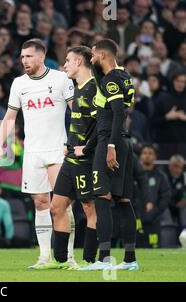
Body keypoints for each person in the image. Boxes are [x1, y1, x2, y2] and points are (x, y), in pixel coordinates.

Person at [0, 38, 75, 269]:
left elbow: (76, 111)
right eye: (22, 57)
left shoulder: (60, 79)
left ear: (41, 56)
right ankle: (45, 257)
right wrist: (0, 144)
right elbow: (10, 117)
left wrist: (77, 142)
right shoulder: (19, 83)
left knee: (62, 205)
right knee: (40, 203)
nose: (24, 60)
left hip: (58, 150)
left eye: (29, 56)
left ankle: (68, 257)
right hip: (33, 152)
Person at [80, 39, 138, 271]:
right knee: (123, 200)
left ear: (103, 55)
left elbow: (117, 114)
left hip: (110, 143)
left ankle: (103, 260)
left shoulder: (110, 79)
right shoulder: (124, 75)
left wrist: (110, 147)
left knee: (102, 199)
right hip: (123, 142)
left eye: (93, 53)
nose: (91, 56)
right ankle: (130, 260)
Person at [48, 46, 99, 270]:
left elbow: (102, 125)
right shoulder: (77, 88)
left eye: (68, 61)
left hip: (86, 160)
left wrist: (86, 148)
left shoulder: (95, 88)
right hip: (71, 159)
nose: (64, 65)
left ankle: (90, 260)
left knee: (90, 208)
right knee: (56, 206)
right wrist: (69, 145)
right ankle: (60, 260)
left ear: (79, 62)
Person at [139, 145, 172, 248]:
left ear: (155, 157)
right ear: (140, 157)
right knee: (135, 248)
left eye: (150, 153)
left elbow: (166, 196)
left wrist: (155, 211)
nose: (147, 156)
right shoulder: (134, 176)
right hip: (136, 220)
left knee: (154, 247)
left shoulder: (160, 176)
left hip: (154, 220)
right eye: (144, 153)